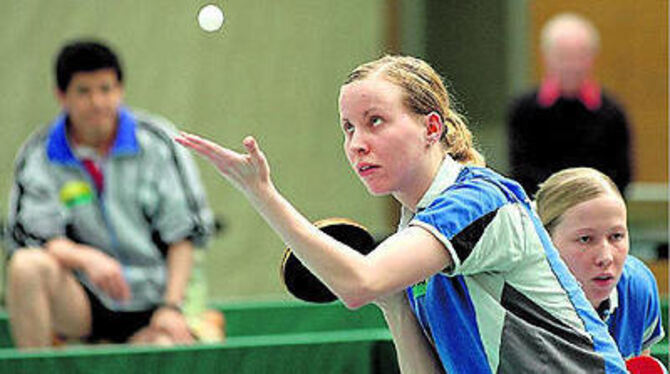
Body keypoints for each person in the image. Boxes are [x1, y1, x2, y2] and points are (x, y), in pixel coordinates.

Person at [176, 55, 628, 373]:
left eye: (376, 121)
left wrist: (262, 194)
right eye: (348, 128)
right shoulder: (415, 229)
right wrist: (395, 304)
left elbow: (357, 284)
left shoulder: (477, 202)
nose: (357, 143)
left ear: (432, 127)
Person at [4, 40, 214, 348]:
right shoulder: (38, 155)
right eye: (84, 91)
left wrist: (171, 307)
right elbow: (33, 235)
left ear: (121, 90)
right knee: (25, 266)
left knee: (164, 348)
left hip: (155, 300)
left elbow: (183, 235)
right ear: (61, 96)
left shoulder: (158, 143)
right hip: (86, 298)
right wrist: (87, 258)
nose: (97, 102)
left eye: (106, 89)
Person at [535, 167, 665, 359]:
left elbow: (640, 364)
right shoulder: (515, 303)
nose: (606, 257)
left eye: (616, 236)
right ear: (544, 241)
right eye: (585, 239)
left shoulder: (637, 287)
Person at [507, 13, 632, 197]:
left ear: (592, 59)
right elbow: (522, 171)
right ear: (546, 58)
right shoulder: (523, 110)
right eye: (563, 57)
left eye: (580, 56)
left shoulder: (612, 112)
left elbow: (621, 175)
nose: (572, 66)